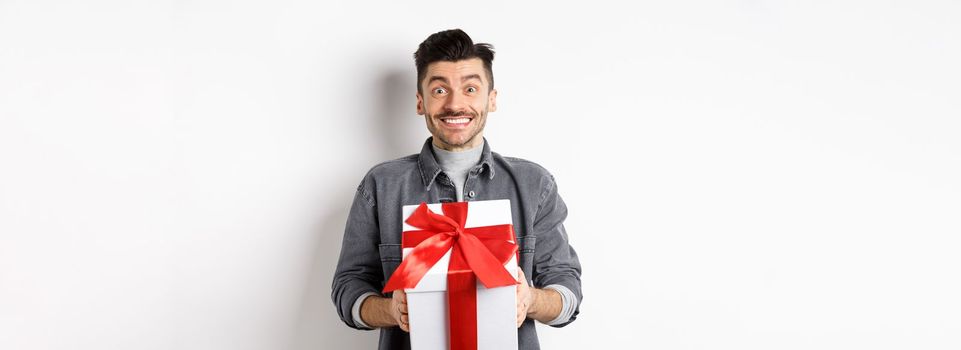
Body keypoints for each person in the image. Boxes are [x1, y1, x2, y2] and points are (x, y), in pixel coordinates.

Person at [331, 28, 582, 350]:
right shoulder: (381, 184)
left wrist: (529, 299)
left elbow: (568, 294)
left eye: (470, 88)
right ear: (420, 102)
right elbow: (347, 290)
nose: (455, 104)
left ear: (491, 99)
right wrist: (390, 310)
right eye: (439, 90)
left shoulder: (535, 184)